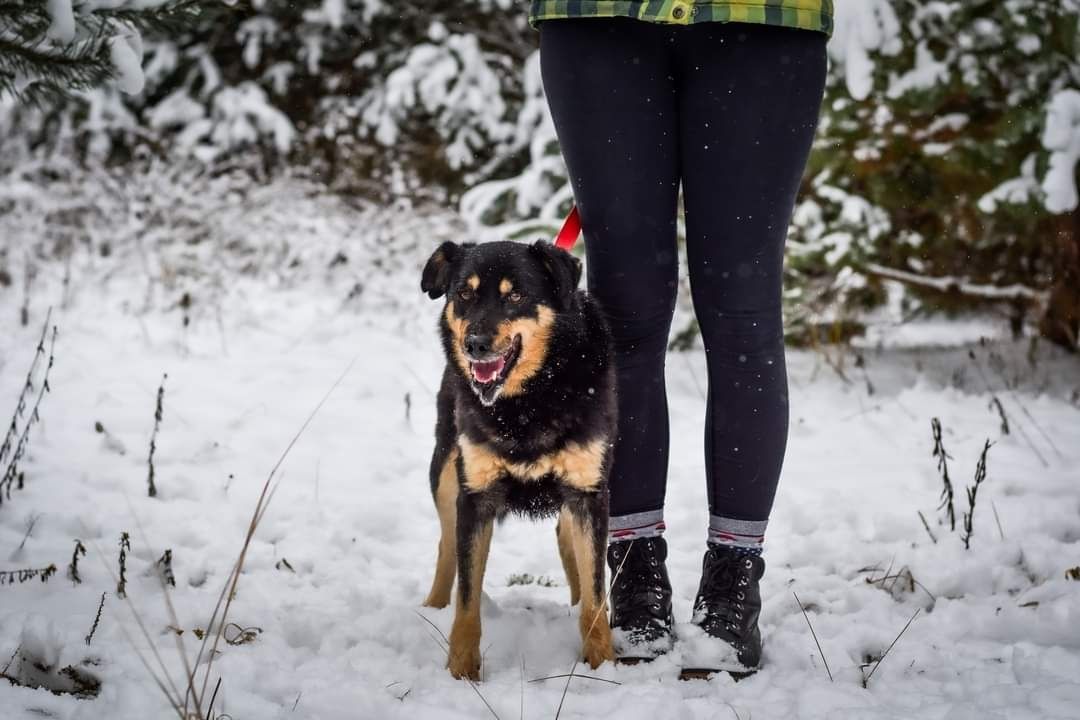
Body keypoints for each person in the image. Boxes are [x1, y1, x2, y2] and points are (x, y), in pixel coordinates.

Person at [531, 1, 832, 669]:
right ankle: (635, 573)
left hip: (764, 23)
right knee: (624, 313)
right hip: (596, 22)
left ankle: (734, 580)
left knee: (743, 310)